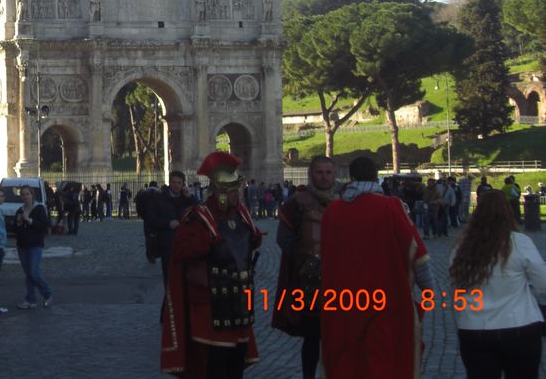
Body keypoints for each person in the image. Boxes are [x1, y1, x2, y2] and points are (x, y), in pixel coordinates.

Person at [319, 157, 435, 379]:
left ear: (350, 177)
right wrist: (429, 294)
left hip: (342, 303)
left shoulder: (332, 211)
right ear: (375, 176)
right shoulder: (391, 207)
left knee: (347, 363)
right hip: (385, 304)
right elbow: (417, 254)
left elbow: (325, 258)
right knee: (383, 363)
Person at [160, 152, 262, 378]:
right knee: (214, 364)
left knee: (236, 361)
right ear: (221, 191)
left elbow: (247, 244)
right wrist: (207, 240)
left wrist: (254, 237)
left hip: (239, 299)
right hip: (209, 301)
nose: (238, 193)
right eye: (233, 189)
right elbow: (181, 252)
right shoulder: (198, 216)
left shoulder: (242, 214)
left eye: (238, 188)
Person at [449, 189, 546, 378]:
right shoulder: (518, 242)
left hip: (474, 328)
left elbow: (456, 290)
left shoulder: (460, 248)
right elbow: (543, 282)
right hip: (519, 326)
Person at [272, 156, 338, 379]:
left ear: (335, 175)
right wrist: (303, 261)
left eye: (328, 172)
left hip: (340, 280)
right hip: (308, 281)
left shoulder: (344, 202)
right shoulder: (296, 203)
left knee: (339, 335)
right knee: (312, 336)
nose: (324, 176)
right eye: (319, 172)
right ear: (311, 174)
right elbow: (284, 238)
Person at [145, 171, 196, 285]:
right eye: (174, 182)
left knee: (186, 280)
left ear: (183, 184)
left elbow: (201, 212)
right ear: (169, 183)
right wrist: (167, 223)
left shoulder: (187, 199)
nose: (176, 185)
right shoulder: (159, 198)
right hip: (167, 245)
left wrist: (191, 198)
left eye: (179, 183)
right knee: (169, 280)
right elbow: (150, 219)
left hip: (185, 244)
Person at [15, 185, 52, 309]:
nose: (25, 196)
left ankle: (47, 292)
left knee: (33, 272)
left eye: (27, 194)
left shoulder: (39, 209)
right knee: (28, 273)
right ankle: (31, 299)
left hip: (35, 244)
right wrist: (19, 223)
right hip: (22, 245)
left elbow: (45, 225)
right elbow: (16, 230)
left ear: (32, 195)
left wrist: (29, 220)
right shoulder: (19, 210)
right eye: (23, 194)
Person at [136, 181, 160, 261]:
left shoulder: (142, 194)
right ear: (156, 186)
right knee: (156, 235)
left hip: (146, 218)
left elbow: (138, 206)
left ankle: (149, 254)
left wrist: (142, 215)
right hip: (157, 218)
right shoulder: (159, 194)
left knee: (148, 237)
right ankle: (155, 252)